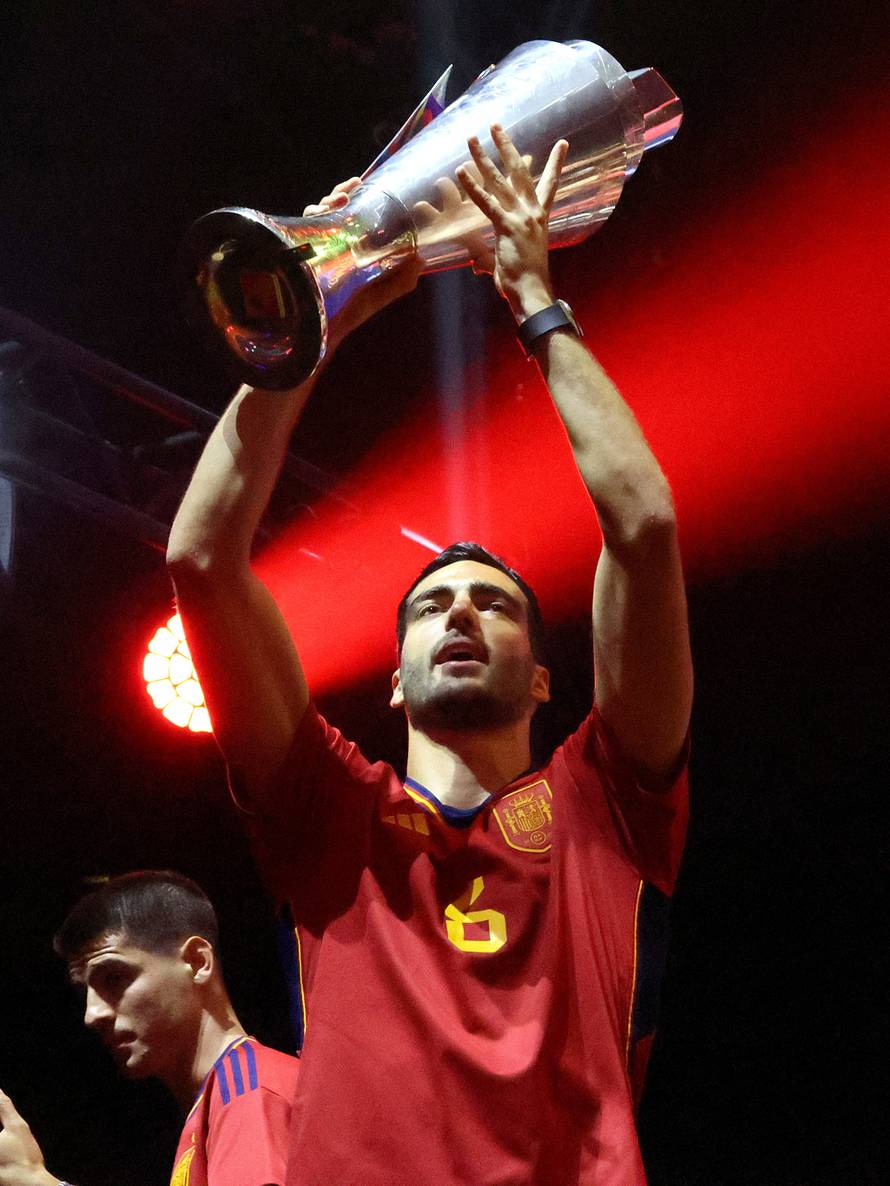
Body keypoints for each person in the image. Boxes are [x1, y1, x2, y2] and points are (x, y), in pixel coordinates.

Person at [166, 125, 693, 1186]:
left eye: (492, 606)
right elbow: (200, 558)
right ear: (396, 676)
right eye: (432, 606)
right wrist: (322, 313)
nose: (459, 615)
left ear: (542, 676)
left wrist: (535, 303)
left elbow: (640, 523)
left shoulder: (606, 808)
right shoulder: (327, 809)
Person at [0, 871, 299, 1186]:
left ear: (198, 962)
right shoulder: (216, 1103)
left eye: (114, 978)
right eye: (84, 992)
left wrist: (37, 1182)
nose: (92, 1014)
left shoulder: (249, 1091)